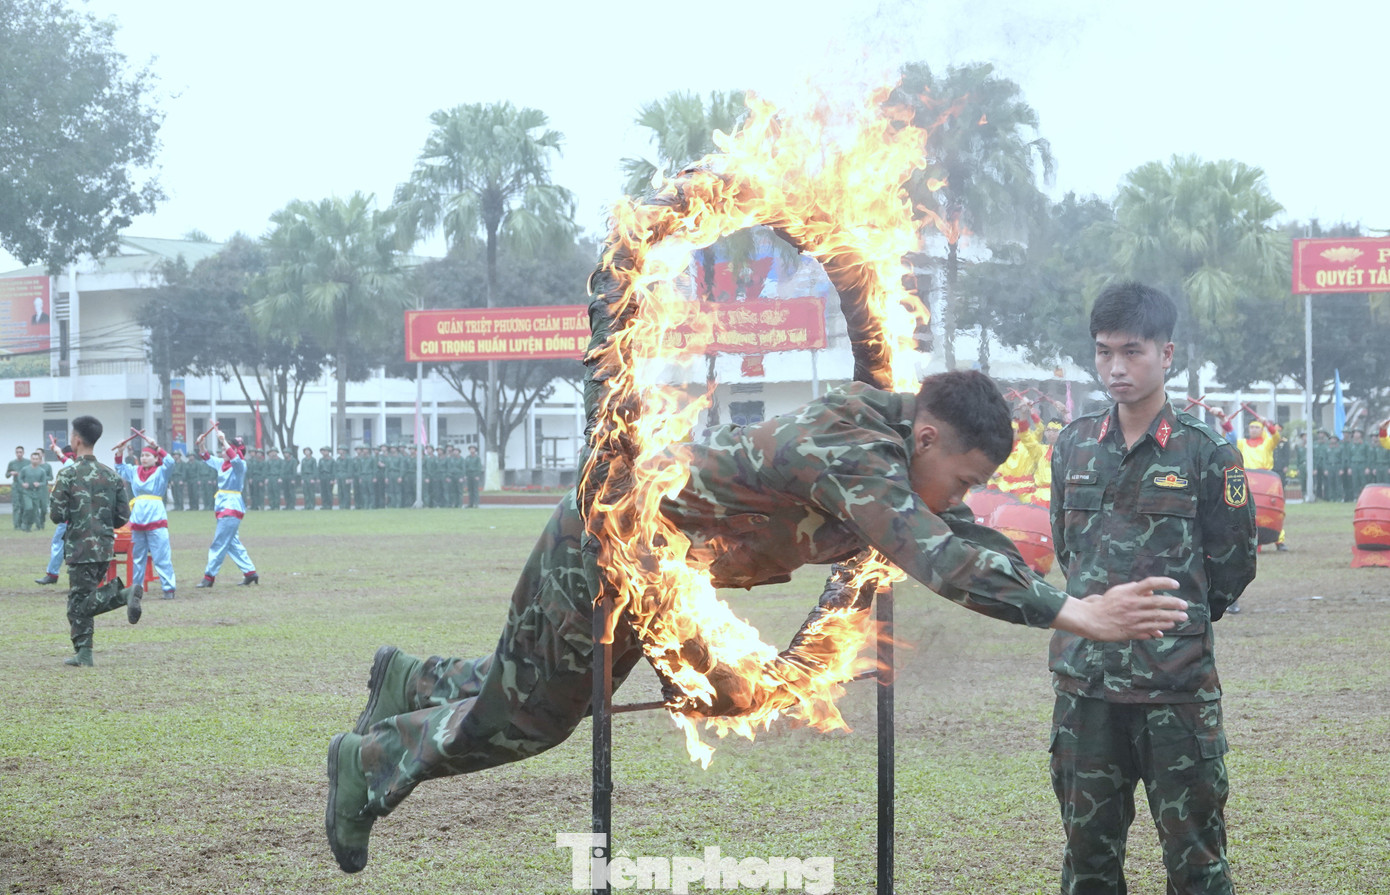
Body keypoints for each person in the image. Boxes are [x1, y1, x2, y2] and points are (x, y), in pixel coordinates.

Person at [323, 369, 1192, 874]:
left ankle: (413, 679)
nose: (961, 496)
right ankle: (369, 761)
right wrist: (1075, 614)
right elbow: (935, 549)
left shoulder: (894, 453)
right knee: (535, 718)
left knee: (557, 690)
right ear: (927, 437)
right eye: (961, 476)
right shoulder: (853, 450)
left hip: (659, 571)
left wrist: (1064, 591)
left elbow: (957, 530)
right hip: (613, 543)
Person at [1048, 282, 1256, 895]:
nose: (1116, 367)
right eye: (1104, 351)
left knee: (1196, 862)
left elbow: (1233, 564)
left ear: (1167, 354)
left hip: (1176, 692)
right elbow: (1068, 552)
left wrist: (1177, 623)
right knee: (1087, 859)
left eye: (1132, 351)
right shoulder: (1073, 444)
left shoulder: (1209, 451)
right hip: (1086, 689)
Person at [48, 415, 142, 667]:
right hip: (104, 546)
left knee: (78, 604)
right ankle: (84, 653)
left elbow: (56, 515)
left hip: (80, 548)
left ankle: (123, 594)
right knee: (80, 600)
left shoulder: (67, 475)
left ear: (76, 440)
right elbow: (123, 516)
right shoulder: (110, 476)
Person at [113, 429, 178, 599]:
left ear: (156, 458)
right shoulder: (134, 471)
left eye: (148, 456)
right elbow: (119, 467)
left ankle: (168, 588)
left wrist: (156, 446)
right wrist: (120, 450)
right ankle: (137, 588)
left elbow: (170, 461)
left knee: (161, 555)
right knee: (137, 555)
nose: (144, 458)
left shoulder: (161, 472)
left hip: (156, 515)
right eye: (142, 455)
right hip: (138, 516)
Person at [193, 425, 260, 588]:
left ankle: (209, 577)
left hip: (231, 506)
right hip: (223, 505)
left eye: (224, 449)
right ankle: (250, 573)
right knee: (231, 542)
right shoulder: (222, 464)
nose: (222, 451)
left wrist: (223, 440)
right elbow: (206, 457)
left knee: (219, 542)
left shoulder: (240, 466)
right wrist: (201, 444)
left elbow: (236, 458)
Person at [1237, 417, 1288, 552]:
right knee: (1246, 510)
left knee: (1269, 510)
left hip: (1265, 482)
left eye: (1257, 427)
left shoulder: (1267, 443)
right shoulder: (1242, 443)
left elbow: (1276, 436)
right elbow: (1228, 438)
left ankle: (1279, 540)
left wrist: (1267, 424)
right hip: (1247, 479)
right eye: (1251, 427)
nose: (1253, 430)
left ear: (1262, 430)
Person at [36, 438, 76, 585]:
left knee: (59, 544)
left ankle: (52, 574)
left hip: (71, 517)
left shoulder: (73, 467)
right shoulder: (85, 467)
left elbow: (70, 463)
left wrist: (58, 452)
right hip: (78, 516)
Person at [6, 446, 26, 529]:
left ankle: (23, 524)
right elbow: (6, 475)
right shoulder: (12, 463)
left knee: (24, 506)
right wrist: (11, 473)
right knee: (16, 506)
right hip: (16, 486)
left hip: (24, 486)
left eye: (20, 452)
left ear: (23, 453)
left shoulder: (28, 462)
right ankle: (16, 525)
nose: (19, 454)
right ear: (15, 453)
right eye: (17, 452)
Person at [462, 444, 483, 508]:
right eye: (470, 449)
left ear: (475, 450)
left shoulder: (477, 458)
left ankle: (476, 504)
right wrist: (465, 475)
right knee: (470, 490)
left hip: (475, 475)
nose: (472, 450)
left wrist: (477, 475)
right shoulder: (467, 458)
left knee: (475, 490)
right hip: (469, 475)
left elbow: (479, 467)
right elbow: (465, 466)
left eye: (473, 449)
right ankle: (470, 504)